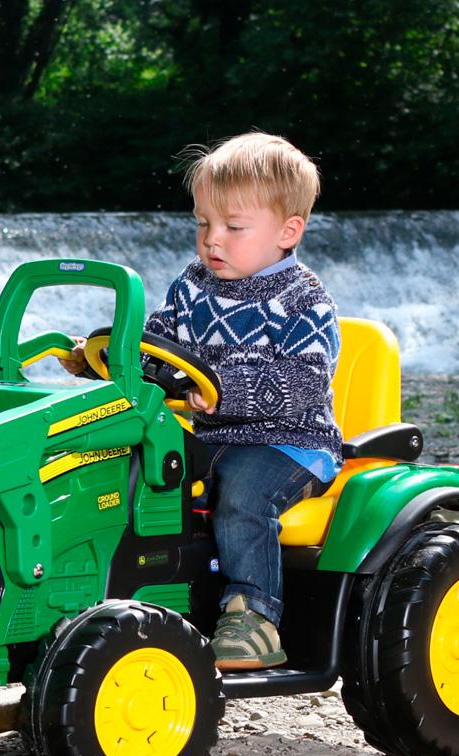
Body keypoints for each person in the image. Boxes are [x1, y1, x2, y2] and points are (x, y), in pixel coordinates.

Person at [61, 132, 342, 670]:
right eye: (203, 223)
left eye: (234, 227)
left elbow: (303, 383)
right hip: (212, 437)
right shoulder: (193, 285)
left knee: (242, 496)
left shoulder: (305, 301)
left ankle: (254, 615)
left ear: (288, 231)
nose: (213, 240)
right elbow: (159, 343)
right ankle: (103, 602)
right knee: (125, 468)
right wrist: (107, 358)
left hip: (290, 443)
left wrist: (220, 385)